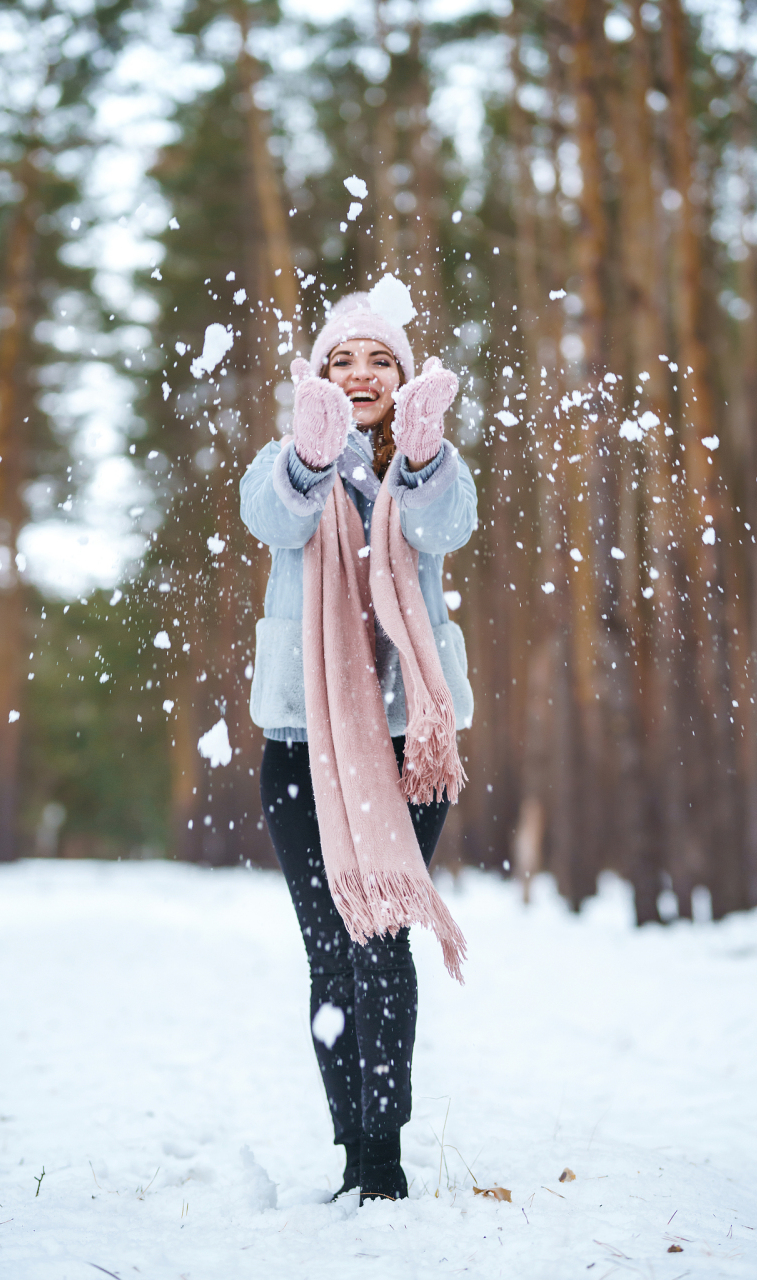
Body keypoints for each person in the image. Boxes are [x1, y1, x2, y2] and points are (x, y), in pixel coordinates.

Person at [239, 289, 477, 1204]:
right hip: (303, 742)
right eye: (342, 361)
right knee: (330, 950)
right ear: (320, 378)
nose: (361, 375)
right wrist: (308, 456)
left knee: (379, 938)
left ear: (404, 378)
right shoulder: (283, 464)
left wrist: (420, 456)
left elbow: (443, 528)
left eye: (380, 360)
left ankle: (383, 1157)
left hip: (408, 744)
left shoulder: (430, 466)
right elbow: (275, 520)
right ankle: (352, 1149)